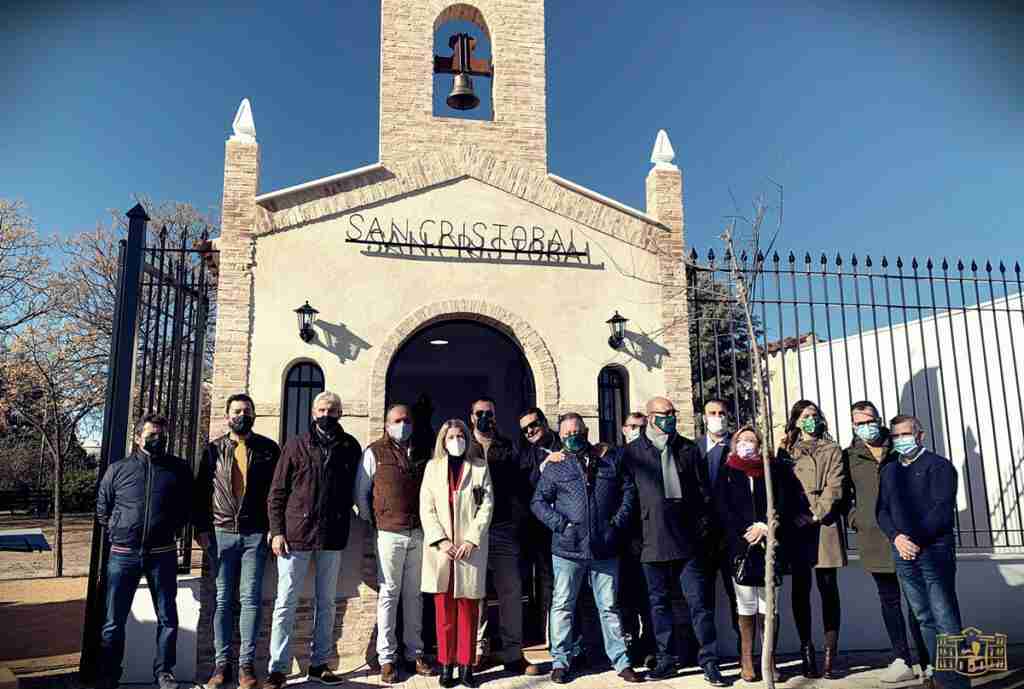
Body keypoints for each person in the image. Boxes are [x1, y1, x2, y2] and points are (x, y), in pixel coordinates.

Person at [531, 413, 642, 684]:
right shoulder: (556, 466)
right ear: (561, 435)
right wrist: (561, 525)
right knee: (562, 605)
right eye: (567, 433)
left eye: (577, 431)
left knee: (609, 607)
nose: (572, 436)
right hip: (568, 549)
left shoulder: (609, 459)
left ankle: (621, 662)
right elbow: (538, 502)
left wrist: (616, 524)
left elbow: (628, 491)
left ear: (586, 430)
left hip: (604, 547)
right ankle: (560, 661)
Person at [623, 396, 726, 686]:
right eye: (664, 413)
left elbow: (703, 493)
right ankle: (666, 659)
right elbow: (626, 498)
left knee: (699, 604)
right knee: (658, 605)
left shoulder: (687, 449)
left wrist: (703, 528)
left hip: (689, 542)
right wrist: (634, 538)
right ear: (650, 416)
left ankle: (709, 661)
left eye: (672, 413)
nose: (670, 417)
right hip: (650, 540)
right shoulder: (631, 453)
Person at [264, 392, 362, 689]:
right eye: (321, 410)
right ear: (312, 412)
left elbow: (358, 488)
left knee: (327, 603)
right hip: (295, 537)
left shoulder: (350, 447)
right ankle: (278, 669)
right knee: (285, 602)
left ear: (340, 413)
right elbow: (277, 492)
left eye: (331, 410)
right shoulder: (296, 445)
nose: (326, 415)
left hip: (331, 535)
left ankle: (319, 665)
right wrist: (277, 530)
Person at [96, 413, 193, 689]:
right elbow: (103, 508)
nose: (158, 438)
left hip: (162, 552)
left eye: (162, 433)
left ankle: (164, 672)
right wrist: (119, 530)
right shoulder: (118, 469)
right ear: (138, 437)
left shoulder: (179, 469)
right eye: (151, 434)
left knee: (168, 617)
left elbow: (187, 506)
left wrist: (170, 527)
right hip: (123, 554)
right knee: (113, 621)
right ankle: (110, 675)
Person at [194, 394, 281, 689]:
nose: (241, 415)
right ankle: (221, 666)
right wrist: (201, 530)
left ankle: (246, 666)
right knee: (221, 601)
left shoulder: (269, 450)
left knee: (251, 601)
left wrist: (274, 528)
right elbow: (200, 493)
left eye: (246, 411)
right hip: (220, 535)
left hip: (255, 535)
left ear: (254, 414)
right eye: (236, 411)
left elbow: (276, 493)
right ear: (227, 415)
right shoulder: (212, 450)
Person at [843, 401, 931, 685]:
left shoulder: (898, 447)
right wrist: (857, 519)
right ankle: (902, 659)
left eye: (868, 420)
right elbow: (845, 497)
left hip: (907, 536)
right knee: (889, 600)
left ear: (878, 419)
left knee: (917, 601)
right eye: (858, 422)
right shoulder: (850, 456)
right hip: (874, 537)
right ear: (853, 426)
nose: (864, 426)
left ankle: (928, 660)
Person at [877, 415, 965, 689]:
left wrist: (912, 538)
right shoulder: (890, 470)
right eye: (896, 436)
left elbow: (941, 510)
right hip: (903, 552)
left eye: (906, 434)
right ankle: (939, 675)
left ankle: (955, 682)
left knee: (944, 616)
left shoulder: (939, 467)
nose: (901, 440)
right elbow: (881, 510)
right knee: (923, 617)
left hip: (935, 551)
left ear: (920, 435)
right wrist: (897, 537)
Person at [354, 403, 434, 683]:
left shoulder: (422, 451)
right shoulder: (374, 452)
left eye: (407, 420)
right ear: (387, 424)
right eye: (397, 420)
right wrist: (375, 521)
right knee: (389, 594)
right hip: (388, 533)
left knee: (414, 595)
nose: (403, 425)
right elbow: (361, 493)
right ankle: (387, 658)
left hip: (418, 533)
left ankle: (415, 653)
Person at [467, 397, 539, 675]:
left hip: (502, 529)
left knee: (510, 592)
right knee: (476, 594)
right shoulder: (463, 446)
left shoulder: (507, 447)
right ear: (471, 416)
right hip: (472, 531)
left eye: (490, 413)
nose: (485, 417)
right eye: (480, 413)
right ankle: (477, 651)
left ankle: (513, 653)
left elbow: (521, 485)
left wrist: (517, 523)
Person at [420, 419, 494, 689]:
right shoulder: (432, 468)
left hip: (468, 550)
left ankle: (466, 667)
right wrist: (441, 541)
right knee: (444, 611)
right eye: (451, 436)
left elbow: (486, 506)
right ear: (443, 440)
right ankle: (446, 665)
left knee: (468, 611)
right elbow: (426, 507)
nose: (456, 440)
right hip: (443, 552)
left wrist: (471, 540)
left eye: (460, 435)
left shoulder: (479, 467)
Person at [777, 400, 846, 679]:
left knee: (828, 588)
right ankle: (806, 649)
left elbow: (836, 484)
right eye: (805, 416)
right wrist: (793, 516)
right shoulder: (786, 452)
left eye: (814, 415)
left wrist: (816, 514)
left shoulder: (832, 449)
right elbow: (780, 486)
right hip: (795, 525)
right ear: (795, 421)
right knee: (800, 590)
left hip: (824, 523)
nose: (810, 420)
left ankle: (830, 652)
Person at [717, 426, 790, 683]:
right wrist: (744, 531)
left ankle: (769, 658)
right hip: (741, 546)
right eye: (741, 440)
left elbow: (783, 500)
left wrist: (765, 525)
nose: (746, 444)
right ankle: (746, 658)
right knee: (745, 603)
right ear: (734, 444)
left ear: (760, 444)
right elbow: (722, 506)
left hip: (770, 544)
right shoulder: (728, 471)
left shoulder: (773, 469)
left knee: (769, 604)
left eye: (751, 440)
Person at [694, 398, 740, 655]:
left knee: (739, 598)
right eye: (712, 413)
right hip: (702, 538)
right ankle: (708, 655)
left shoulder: (739, 446)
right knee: (703, 600)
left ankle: (746, 652)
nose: (717, 417)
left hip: (732, 536)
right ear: (704, 417)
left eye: (722, 413)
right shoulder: (693, 448)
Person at [515, 407, 562, 646]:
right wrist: (545, 465)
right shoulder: (526, 454)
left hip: (565, 526)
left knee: (559, 584)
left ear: (544, 421)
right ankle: (539, 634)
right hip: (535, 528)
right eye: (525, 430)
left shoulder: (563, 442)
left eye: (533, 425)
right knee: (537, 581)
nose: (530, 431)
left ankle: (561, 638)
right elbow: (524, 485)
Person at [617, 412, 655, 668]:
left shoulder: (653, 455)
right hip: (623, 539)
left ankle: (650, 645)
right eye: (633, 426)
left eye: (642, 427)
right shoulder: (616, 456)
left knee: (650, 597)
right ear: (623, 429)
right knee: (625, 599)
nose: (637, 431)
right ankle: (630, 645)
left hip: (649, 536)